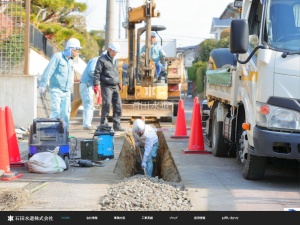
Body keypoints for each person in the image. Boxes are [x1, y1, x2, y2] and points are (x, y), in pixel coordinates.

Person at [39, 38, 81, 128]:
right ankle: (53, 132)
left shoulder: (70, 60)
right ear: (71, 49)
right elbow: (49, 70)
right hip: (56, 90)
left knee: (65, 113)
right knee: (55, 112)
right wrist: (43, 84)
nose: (77, 53)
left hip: (66, 91)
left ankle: (65, 133)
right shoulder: (57, 57)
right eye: (77, 50)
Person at [93, 42, 125, 132]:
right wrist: (96, 84)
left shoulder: (115, 60)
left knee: (118, 105)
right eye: (114, 51)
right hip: (106, 85)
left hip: (115, 86)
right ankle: (104, 125)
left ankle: (117, 125)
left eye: (116, 52)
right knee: (107, 103)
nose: (115, 53)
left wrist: (119, 82)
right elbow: (97, 72)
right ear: (109, 49)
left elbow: (116, 72)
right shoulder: (102, 60)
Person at [79, 52, 100, 130]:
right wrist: (99, 79)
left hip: (88, 85)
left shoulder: (97, 61)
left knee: (90, 105)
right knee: (88, 104)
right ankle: (87, 124)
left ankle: (88, 123)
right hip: (87, 85)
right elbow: (91, 71)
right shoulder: (96, 60)